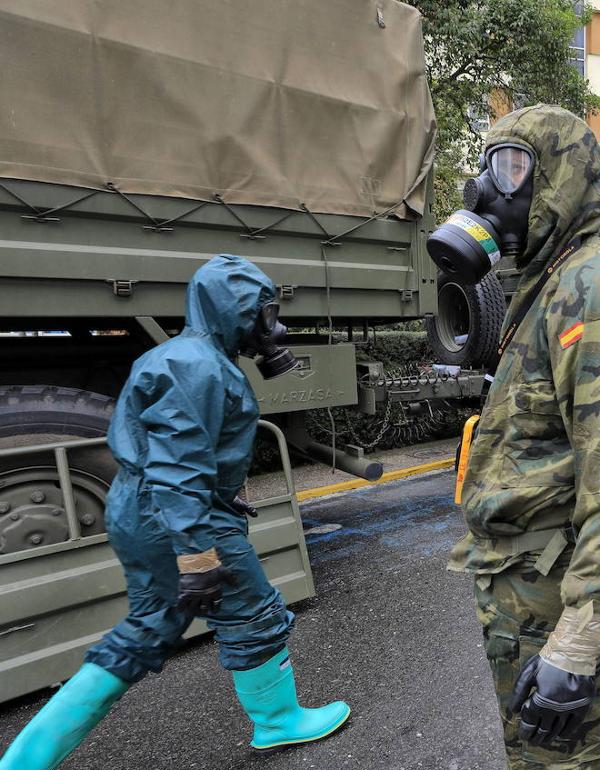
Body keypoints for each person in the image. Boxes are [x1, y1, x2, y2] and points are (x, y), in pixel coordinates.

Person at [0, 255, 349, 770]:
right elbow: (177, 472)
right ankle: (278, 721)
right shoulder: (195, 366)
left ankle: (28, 759)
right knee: (252, 610)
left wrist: (224, 497)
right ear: (236, 309)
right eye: (265, 312)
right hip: (176, 515)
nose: (274, 326)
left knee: (150, 626)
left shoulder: (190, 357)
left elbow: (181, 456)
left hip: (154, 509)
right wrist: (198, 559)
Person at [445, 105, 600, 769]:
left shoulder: (592, 290)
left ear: (561, 181)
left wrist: (577, 642)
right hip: (526, 586)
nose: (490, 191)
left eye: (514, 168)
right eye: (491, 168)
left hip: (555, 596)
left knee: (575, 760)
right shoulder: (547, 285)